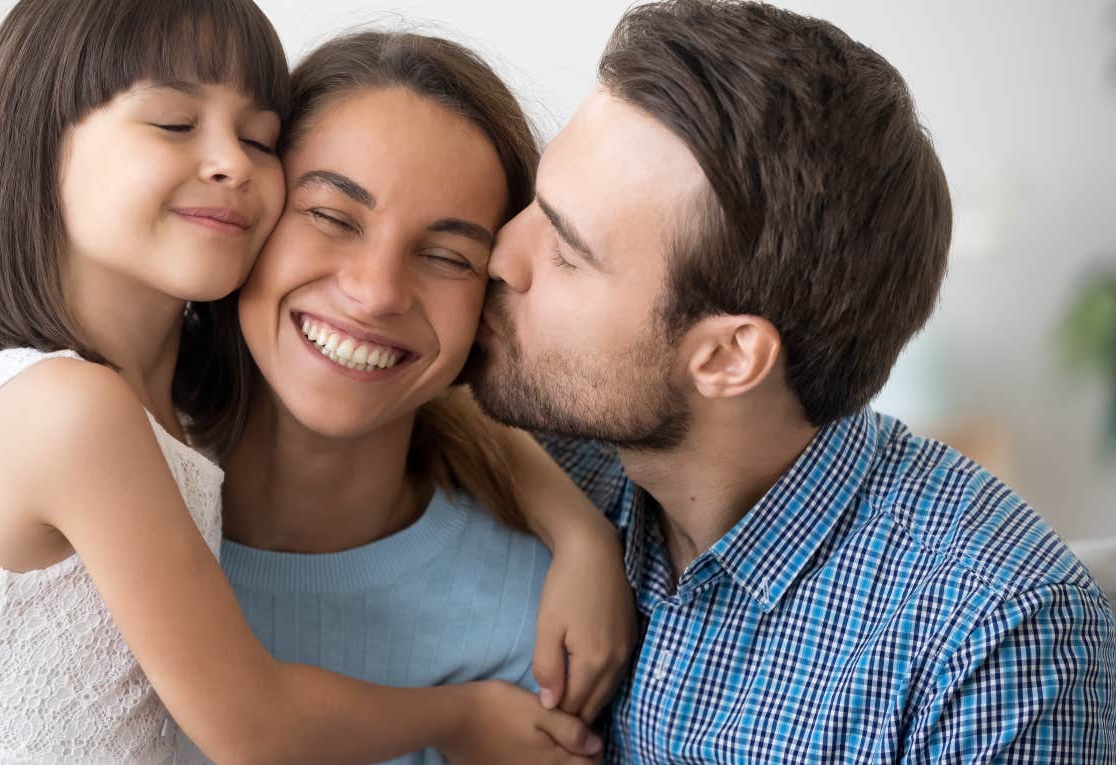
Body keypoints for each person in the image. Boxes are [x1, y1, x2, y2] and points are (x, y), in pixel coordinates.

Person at [0, 2, 635, 763]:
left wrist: (582, 534)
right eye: (328, 215)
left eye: (448, 255)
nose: (374, 291)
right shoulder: (78, 438)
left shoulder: (537, 623)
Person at [460, 0, 1116, 761]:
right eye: (538, 204)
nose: (501, 255)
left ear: (729, 357)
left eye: (567, 253)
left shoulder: (994, 640)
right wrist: (578, 536)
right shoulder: (562, 456)